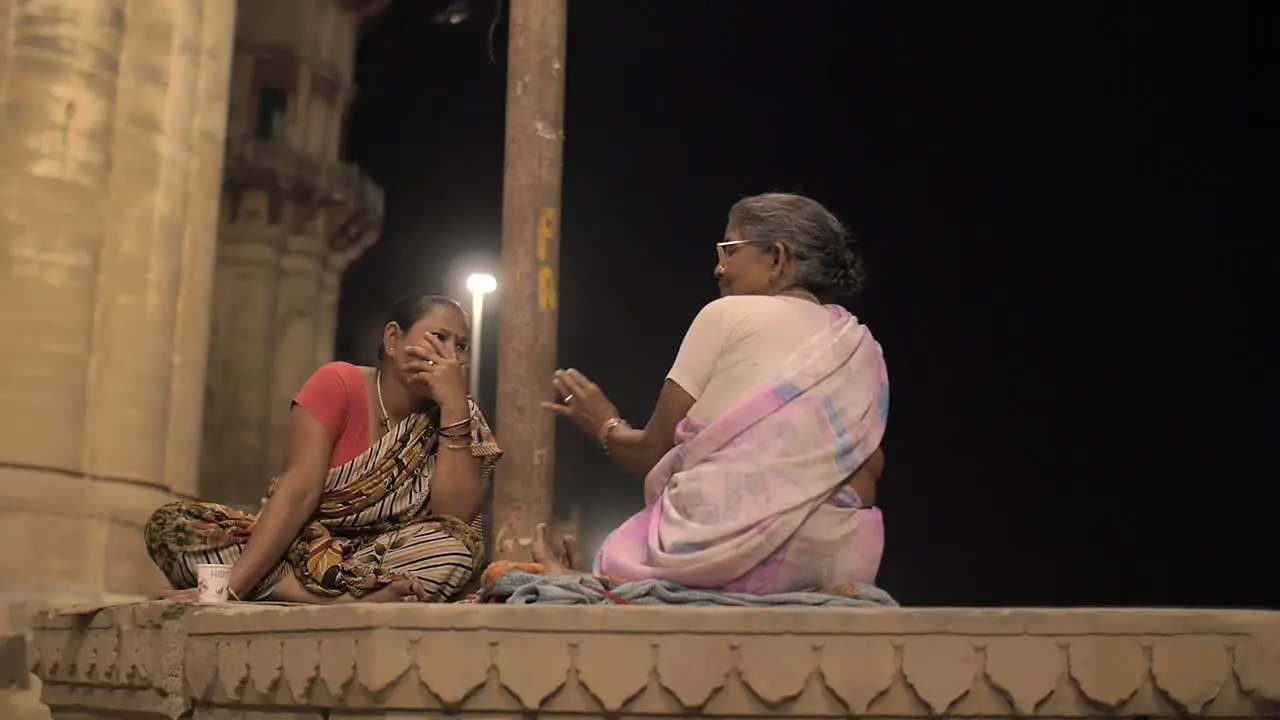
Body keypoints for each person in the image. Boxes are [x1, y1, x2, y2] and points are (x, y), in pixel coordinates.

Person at [536, 192, 889, 595]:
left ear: (776, 258)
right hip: (838, 561)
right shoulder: (860, 346)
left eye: (729, 250)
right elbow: (866, 467)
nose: (718, 268)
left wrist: (603, 424)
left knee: (605, 560)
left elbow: (651, 451)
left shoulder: (725, 315)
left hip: (715, 560)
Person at [145, 294, 501, 604]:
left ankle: (287, 591)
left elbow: (455, 519)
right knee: (172, 526)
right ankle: (312, 599)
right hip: (300, 554)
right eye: (439, 338)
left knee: (458, 548)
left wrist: (453, 407)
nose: (451, 356)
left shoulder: (457, 415)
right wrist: (231, 589)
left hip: (385, 561)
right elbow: (298, 491)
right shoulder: (337, 384)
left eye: (461, 346)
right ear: (393, 340)